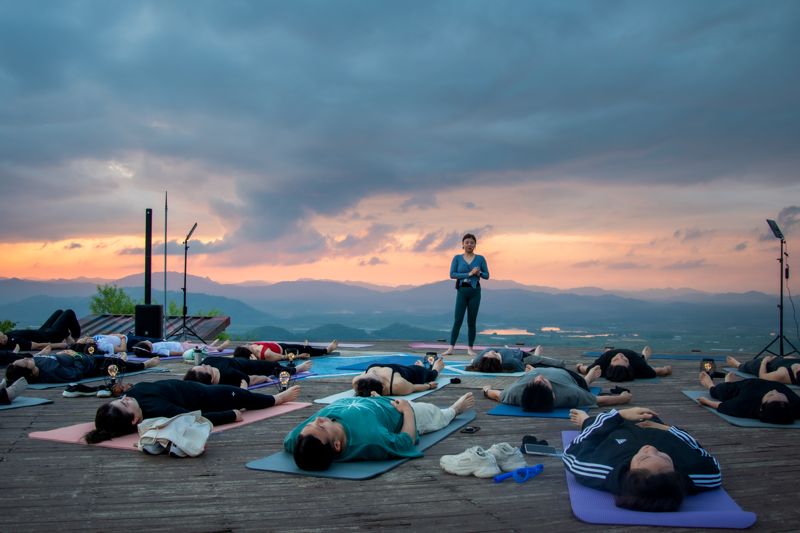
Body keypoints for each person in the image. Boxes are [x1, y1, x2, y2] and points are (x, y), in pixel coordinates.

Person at [563, 407, 722, 512]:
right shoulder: (698, 473)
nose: (651, 449)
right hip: (656, 423)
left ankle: (586, 419)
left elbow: (575, 448)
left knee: (590, 423)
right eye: (664, 458)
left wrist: (619, 415)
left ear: (630, 473)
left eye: (644, 458)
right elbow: (701, 452)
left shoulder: (600, 467)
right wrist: (668, 429)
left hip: (617, 426)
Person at [285, 392, 475, 471]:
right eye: (321, 426)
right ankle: (454, 410)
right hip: (397, 410)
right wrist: (407, 410)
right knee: (435, 415)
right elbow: (405, 441)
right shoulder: (371, 440)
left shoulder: (299, 439)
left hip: (372, 400)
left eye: (310, 425)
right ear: (337, 444)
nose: (317, 420)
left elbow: (292, 442)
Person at [84, 380, 301, 444]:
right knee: (238, 396)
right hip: (206, 396)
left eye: (121, 399)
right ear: (134, 419)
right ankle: (277, 398)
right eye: (124, 404)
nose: (126, 399)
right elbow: (194, 419)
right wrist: (230, 416)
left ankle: (244, 393)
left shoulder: (134, 399)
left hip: (192, 386)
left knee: (236, 391)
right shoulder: (158, 411)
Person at [481, 366, 632, 411]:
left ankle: (532, 371)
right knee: (583, 385)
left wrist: (486, 390)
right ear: (553, 395)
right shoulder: (570, 394)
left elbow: (497, 395)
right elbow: (599, 401)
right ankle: (588, 378)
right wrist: (623, 398)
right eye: (542, 383)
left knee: (535, 373)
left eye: (536, 382)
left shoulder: (515, 393)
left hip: (534, 371)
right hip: (567, 376)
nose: (539, 379)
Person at [442, 234, 489, 357]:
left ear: (475, 245)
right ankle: (451, 348)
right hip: (462, 291)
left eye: (472, 242)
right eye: (467, 242)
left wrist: (479, 272)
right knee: (457, 320)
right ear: (462, 244)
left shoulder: (480, 258)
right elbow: (452, 274)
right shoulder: (457, 258)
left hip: (475, 292)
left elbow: (487, 275)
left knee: (471, 321)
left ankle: (470, 348)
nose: (469, 244)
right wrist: (469, 273)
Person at [5, 347, 159, 384]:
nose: (27, 358)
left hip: (85, 357)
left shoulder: (35, 363)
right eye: (25, 362)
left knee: (93, 347)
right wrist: (75, 355)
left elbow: (38, 357)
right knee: (117, 365)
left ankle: (121, 357)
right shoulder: (52, 372)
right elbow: (77, 374)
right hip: (91, 367)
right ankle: (145, 365)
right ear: (30, 373)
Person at [697, 372, 800, 424]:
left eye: (771, 395)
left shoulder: (745, 404)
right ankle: (728, 382)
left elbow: (722, 405)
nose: (774, 391)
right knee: (726, 389)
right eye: (780, 394)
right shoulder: (796, 404)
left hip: (749, 386)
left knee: (720, 392)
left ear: (762, 407)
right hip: (771, 383)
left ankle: (710, 384)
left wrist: (706, 401)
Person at [184, 356, 312, 388]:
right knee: (274, 367)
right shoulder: (229, 376)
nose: (205, 364)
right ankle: (297, 369)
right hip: (251, 367)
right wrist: (263, 378)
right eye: (205, 368)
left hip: (237, 360)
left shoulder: (207, 361)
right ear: (211, 378)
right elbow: (251, 379)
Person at [351, 358, 444, 397]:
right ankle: (428, 367)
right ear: (383, 387)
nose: (373, 371)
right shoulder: (397, 385)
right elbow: (414, 387)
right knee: (430, 374)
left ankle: (426, 367)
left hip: (402, 370)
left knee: (431, 373)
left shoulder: (357, 381)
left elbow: (413, 388)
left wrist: (429, 386)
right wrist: (429, 385)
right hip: (413, 374)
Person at [576, 347, 672, 382]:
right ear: (629, 365)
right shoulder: (638, 366)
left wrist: (579, 367)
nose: (620, 355)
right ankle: (644, 357)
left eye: (617, 359)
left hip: (611, 354)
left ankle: (609, 350)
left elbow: (585, 369)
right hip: (633, 357)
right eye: (624, 360)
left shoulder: (603, 363)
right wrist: (667, 369)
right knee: (642, 362)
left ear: (610, 364)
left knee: (642, 363)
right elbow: (662, 371)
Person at [0, 309, 80, 351]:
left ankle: (67, 337)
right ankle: (76, 341)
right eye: (2, 338)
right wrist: (60, 345)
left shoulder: (8, 335)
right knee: (69, 312)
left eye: (2, 335)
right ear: (2, 342)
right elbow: (37, 346)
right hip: (49, 337)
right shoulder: (15, 342)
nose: (3, 337)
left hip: (41, 332)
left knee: (59, 312)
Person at [465, 346, 564, 373]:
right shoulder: (509, 362)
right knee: (540, 360)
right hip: (522, 356)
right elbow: (522, 366)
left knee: (538, 359)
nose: (487, 352)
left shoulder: (480, 360)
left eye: (486, 353)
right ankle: (561, 364)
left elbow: (473, 362)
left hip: (511, 351)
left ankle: (536, 355)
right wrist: (536, 356)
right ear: (495, 359)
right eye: (489, 354)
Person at [727, 354, 800, 386]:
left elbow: (762, 376)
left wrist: (764, 361)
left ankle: (738, 365)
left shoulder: (782, 374)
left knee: (751, 365)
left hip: (767, 366)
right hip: (782, 361)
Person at [234, 340, 338, 361]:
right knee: (306, 350)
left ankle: (306, 346)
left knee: (302, 347)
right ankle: (326, 350)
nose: (246, 344)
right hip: (285, 350)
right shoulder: (266, 354)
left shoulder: (252, 349)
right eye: (245, 346)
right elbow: (284, 357)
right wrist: (299, 356)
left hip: (278, 345)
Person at [131, 339, 229, 357]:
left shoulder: (155, 347)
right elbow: (173, 353)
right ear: (148, 346)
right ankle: (218, 348)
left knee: (200, 345)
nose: (147, 341)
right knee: (200, 347)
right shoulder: (159, 351)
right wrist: (185, 352)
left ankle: (212, 346)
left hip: (180, 345)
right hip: (182, 348)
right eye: (146, 342)